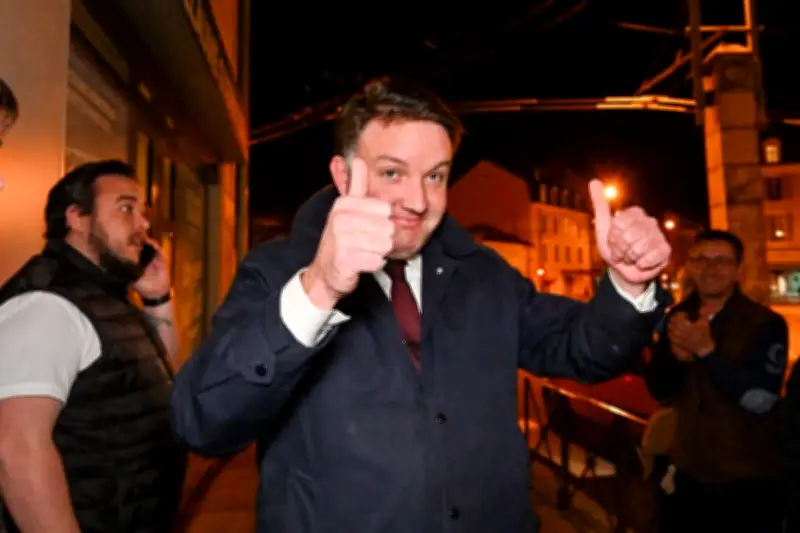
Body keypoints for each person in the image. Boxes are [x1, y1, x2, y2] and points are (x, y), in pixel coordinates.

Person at [171, 77, 671, 533]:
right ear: (342, 175)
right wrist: (319, 289)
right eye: (393, 172)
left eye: (435, 176)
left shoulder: (483, 274)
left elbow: (584, 350)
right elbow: (203, 421)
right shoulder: (277, 271)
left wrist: (628, 287)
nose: (417, 200)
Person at [0, 160, 186, 533]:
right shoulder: (48, 305)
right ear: (77, 218)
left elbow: (162, 377)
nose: (143, 224)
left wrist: (157, 298)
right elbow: (17, 449)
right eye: (126, 208)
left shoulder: (104, 294)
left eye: (142, 212)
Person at [644, 230, 787, 533]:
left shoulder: (765, 323)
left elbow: (762, 401)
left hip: (745, 484)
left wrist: (707, 352)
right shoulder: (678, 317)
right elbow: (659, 389)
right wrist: (678, 360)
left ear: (738, 270)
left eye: (721, 261)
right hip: (686, 478)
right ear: (690, 267)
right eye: (701, 260)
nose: (710, 269)